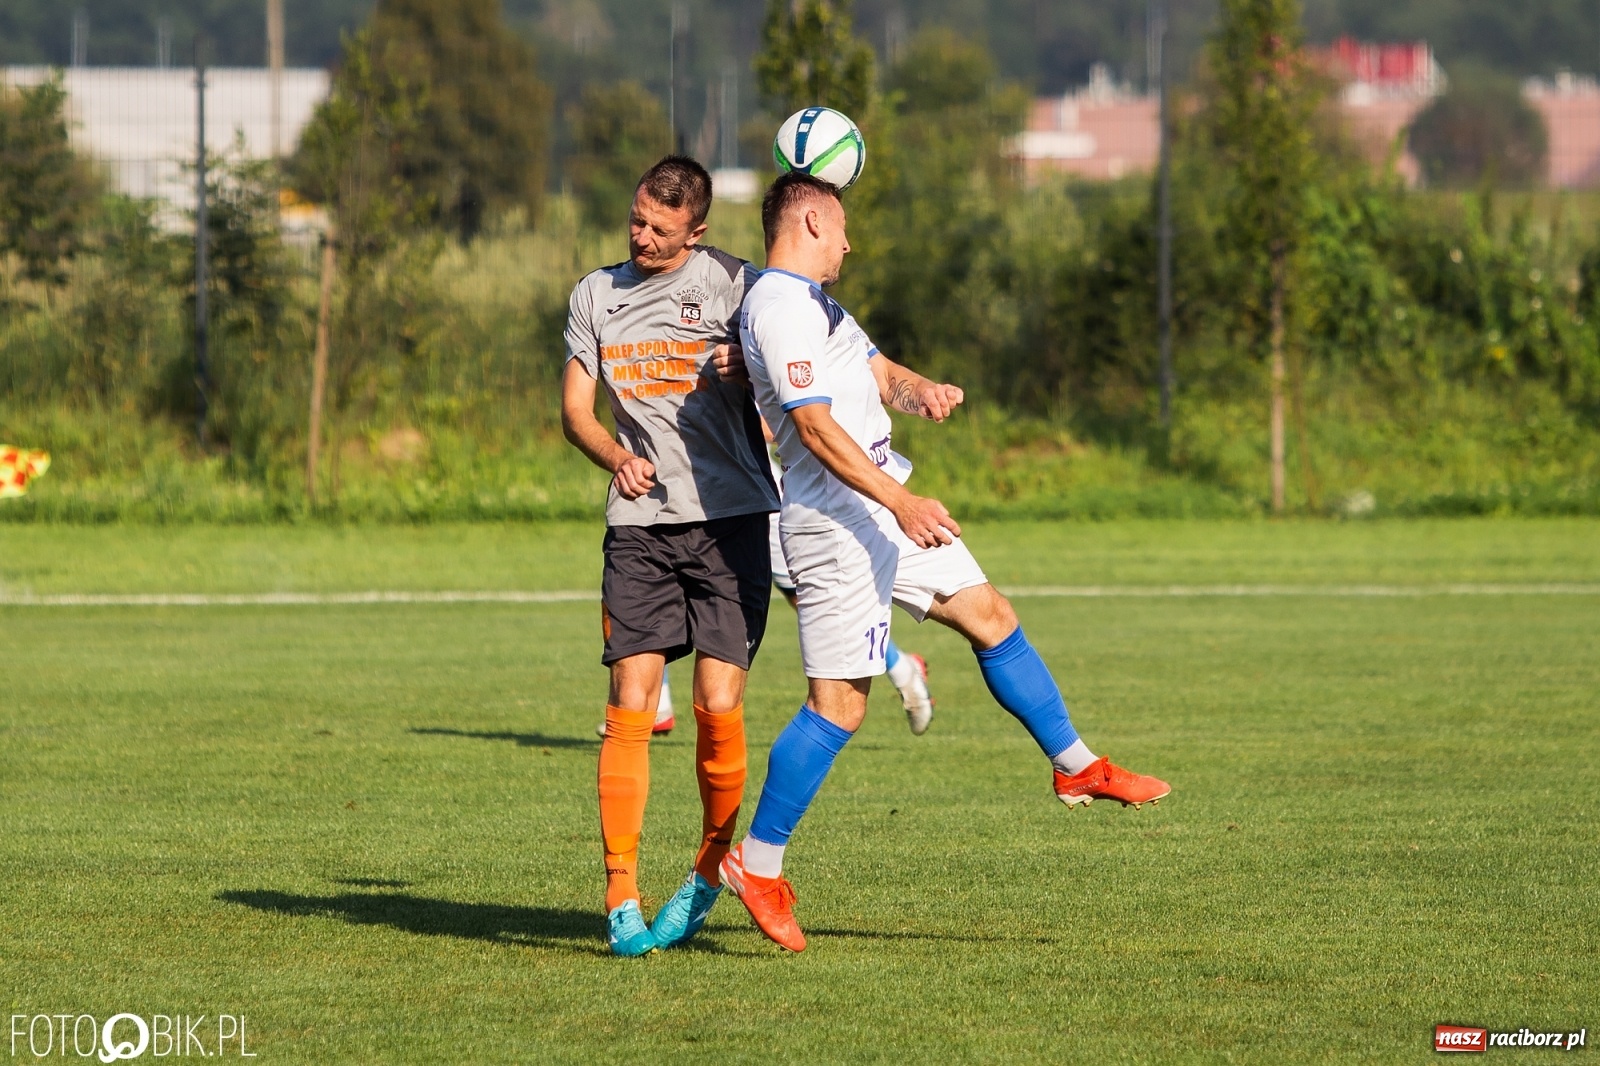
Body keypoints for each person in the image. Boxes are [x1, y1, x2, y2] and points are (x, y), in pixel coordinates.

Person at [720, 173, 1171, 952]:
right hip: (836, 524)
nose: (852, 243)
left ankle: (1076, 764)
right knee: (840, 708)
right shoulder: (778, 305)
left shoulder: (817, 303)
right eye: (845, 228)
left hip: (882, 504)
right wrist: (901, 505)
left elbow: (876, 369)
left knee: (989, 614)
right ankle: (757, 866)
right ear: (814, 219)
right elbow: (817, 430)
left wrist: (917, 388)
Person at [561, 156, 779, 957]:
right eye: (636, 220)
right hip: (640, 526)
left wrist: (746, 366)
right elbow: (575, 411)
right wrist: (612, 456)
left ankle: (710, 868)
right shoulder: (596, 294)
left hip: (732, 522)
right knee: (631, 695)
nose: (641, 235)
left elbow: (798, 372)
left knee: (718, 706)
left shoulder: (736, 285)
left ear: (698, 231)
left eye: (659, 227)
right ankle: (620, 892)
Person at [761, 420, 936, 734]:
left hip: (765, 502)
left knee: (819, 604)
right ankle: (902, 670)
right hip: (731, 499)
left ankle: (902, 670)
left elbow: (770, 420)